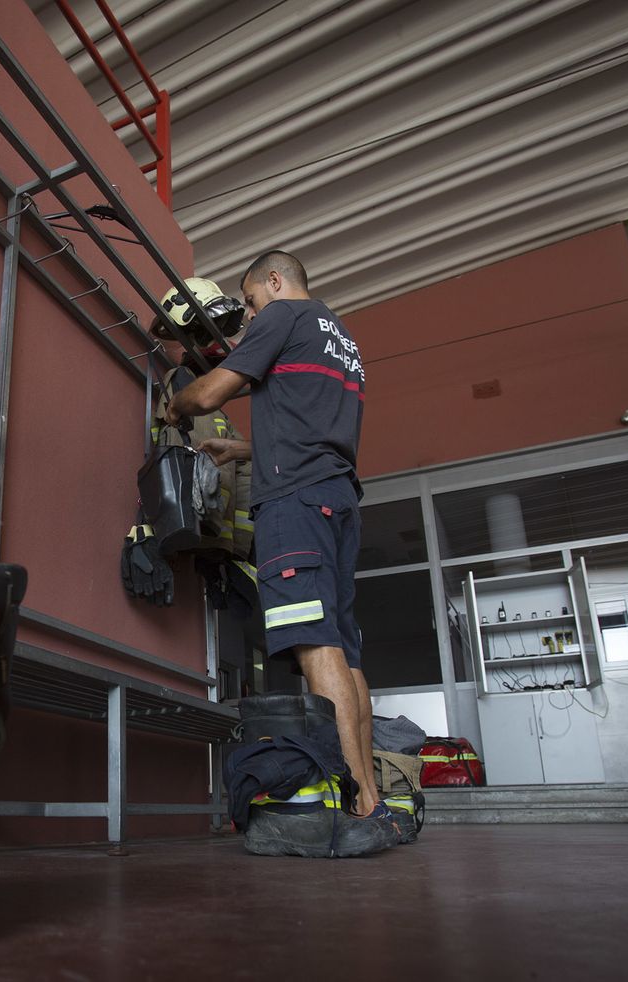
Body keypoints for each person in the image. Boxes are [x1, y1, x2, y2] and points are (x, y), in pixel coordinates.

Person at [166, 249, 397, 848]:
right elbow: (310, 425)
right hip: (337, 498)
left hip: (295, 505)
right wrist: (240, 453)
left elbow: (213, 393)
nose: (248, 315)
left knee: (315, 647)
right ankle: (374, 802)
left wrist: (176, 404)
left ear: (275, 281)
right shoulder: (338, 334)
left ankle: (348, 806)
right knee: (344, 652)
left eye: (248, 301)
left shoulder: (283, 316)